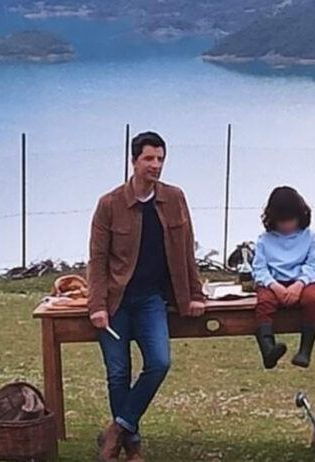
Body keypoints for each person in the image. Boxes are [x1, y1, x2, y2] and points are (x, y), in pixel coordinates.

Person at [87, 131, 206, 462]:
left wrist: (195, 294)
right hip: (116, 301)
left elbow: (186, 251)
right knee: (118, 373)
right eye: (149, 158)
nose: (155, 165)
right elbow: (97, 259)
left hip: (152, 299)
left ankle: (117, 429)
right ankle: (132, 448)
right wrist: (97, 306)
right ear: (134, 161)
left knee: (159, 362)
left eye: (160, 159)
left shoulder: (174, 198)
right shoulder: (109, 204)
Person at [252, 186, 315, 369]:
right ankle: (268, 349)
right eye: (281, 221)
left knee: (312, 300)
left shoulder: (310, 237)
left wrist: (299, 284)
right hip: (273, 283)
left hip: (302, 281)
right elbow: (259, 268)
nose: (286, 226)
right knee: (264, 303)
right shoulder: (264, 240)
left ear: (300, 216)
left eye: (290, 220)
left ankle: (305, 351)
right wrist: (273, 285)